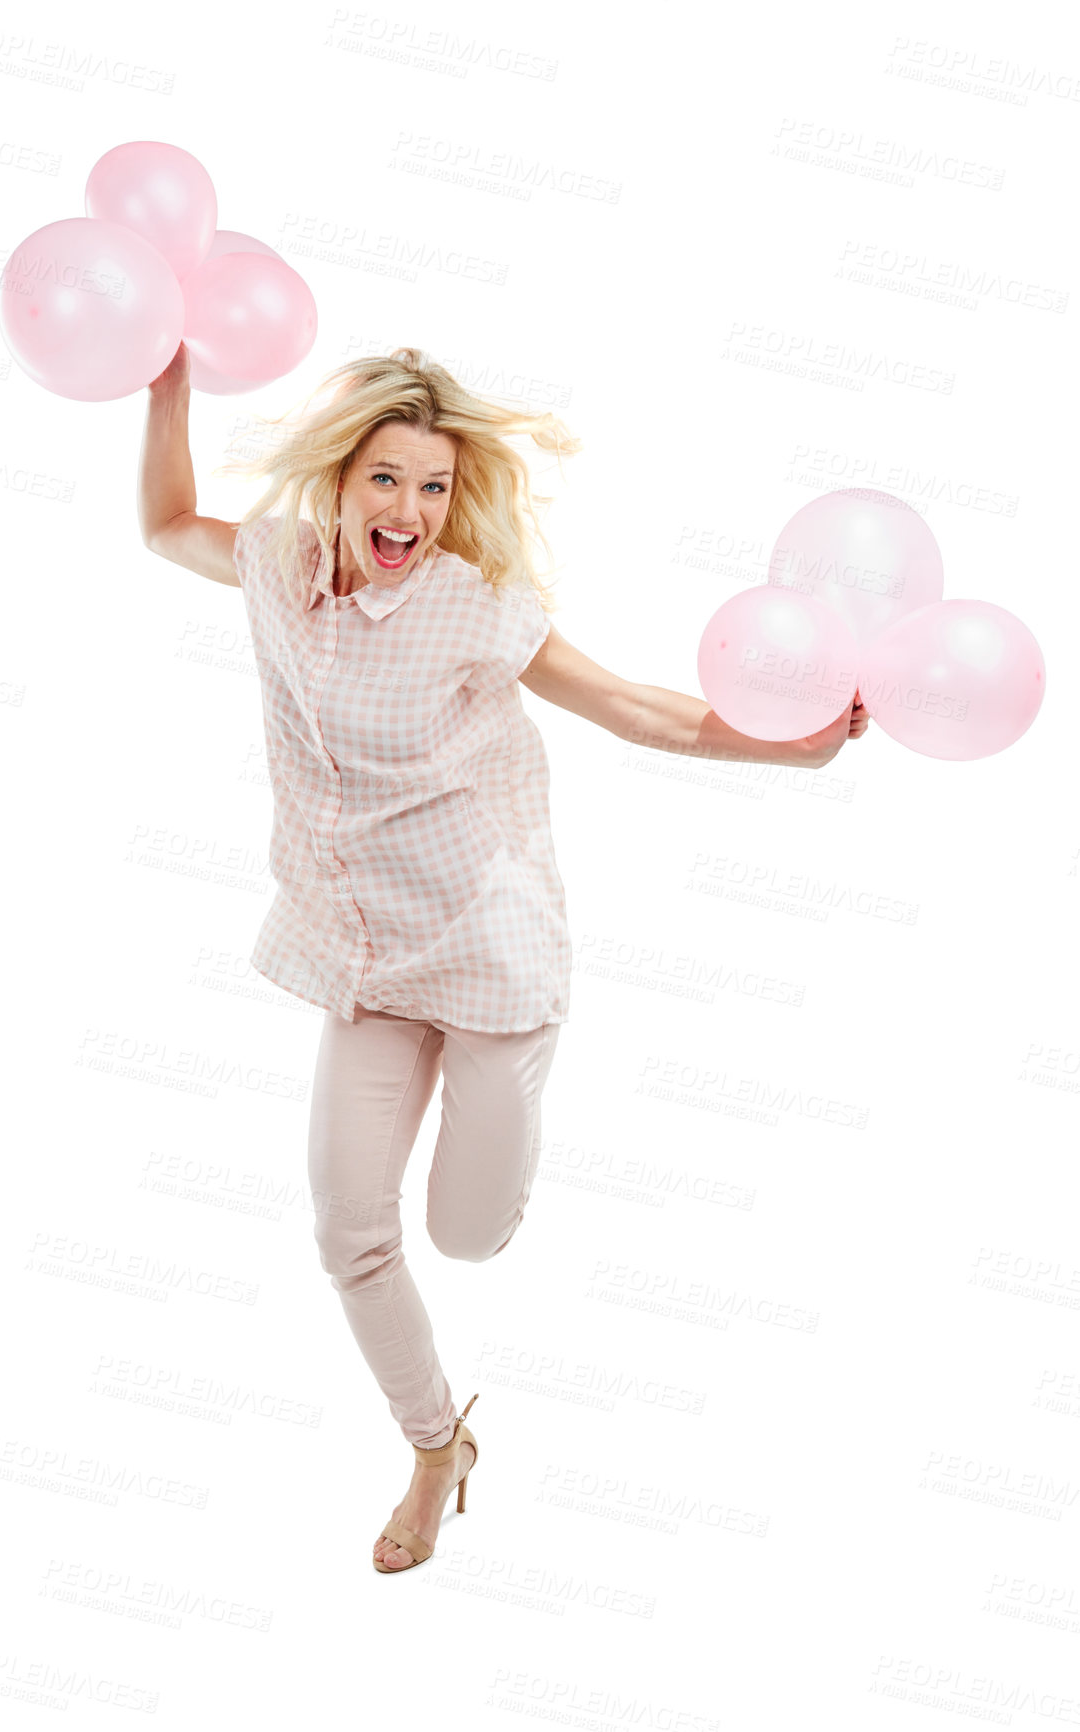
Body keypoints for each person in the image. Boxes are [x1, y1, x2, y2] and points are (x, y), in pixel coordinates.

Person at [139, 343, 868, 1574]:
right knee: (349, 1237)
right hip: (362, 958)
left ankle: (507, 1136)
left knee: (467, 1236)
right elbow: (162, 523)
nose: (409, 512)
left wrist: (791, 746)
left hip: (486, 958)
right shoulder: (274, 563)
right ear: (340, 473)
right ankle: (437, 1448)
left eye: (433, 487)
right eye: (386, 479)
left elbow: (636, 707)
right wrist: (168, 389)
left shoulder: (472, 603)